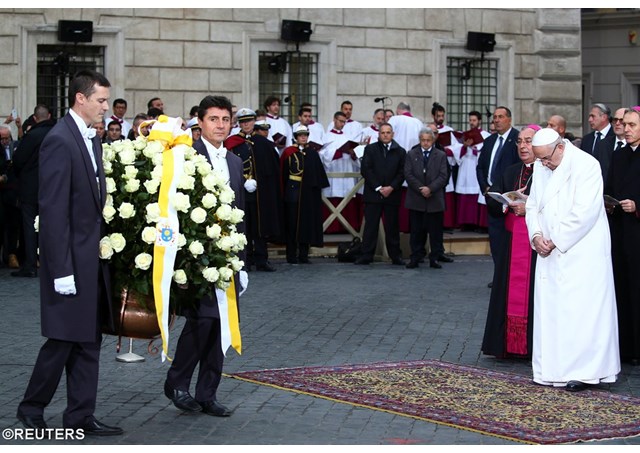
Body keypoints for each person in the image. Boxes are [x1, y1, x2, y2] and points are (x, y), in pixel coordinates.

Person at [16, 69, 122, 435]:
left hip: (90, 258)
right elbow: (54, 209)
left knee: (88, 340)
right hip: (69, 262)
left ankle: (80, 415)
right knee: (62, 339)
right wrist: (60, 269)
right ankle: (31, 407)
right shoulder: (60, 139)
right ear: (80, 98)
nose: (106, 108)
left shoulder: (91, 139)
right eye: (101, 101)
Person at [164, 95, 246, 417]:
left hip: (229, 258)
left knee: (222, 326)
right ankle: (177, 383)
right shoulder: (187, 157)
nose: (220, 126)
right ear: (200, 122)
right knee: (202, 321)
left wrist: (244, 260)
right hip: (197, 256)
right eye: (214, 119)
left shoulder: (236, 162)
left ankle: (207, 393)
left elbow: (242, 214)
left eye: (225, 120)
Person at [526, 127, 620, 391]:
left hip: (581, 251)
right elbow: (533, 204)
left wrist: (554, 239)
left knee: (581, 312)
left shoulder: (587, 165)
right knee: (553, 311)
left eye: (546, 158)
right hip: (548, 248)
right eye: (540, 159)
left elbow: (585, 212)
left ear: (560, 147)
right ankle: (550, 369)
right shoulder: (542, 165)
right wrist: (536, 235)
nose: (543, 164)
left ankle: (586, 372)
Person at [481, 125, 539, 359]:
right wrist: (506, 202)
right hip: (511, 242)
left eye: (528, 141)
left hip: (536, 246)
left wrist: (530, 207)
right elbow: (493, 199)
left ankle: (531, 347)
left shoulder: (548, 172)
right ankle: (506, 345)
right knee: (506, 293)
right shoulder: (510, 171)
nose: (523, 146)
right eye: (519, 142)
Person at [225, 108, 282, 272]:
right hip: (241, 191)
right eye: (243, 122)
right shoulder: (232, 143)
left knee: (260, 226)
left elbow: (272, 168)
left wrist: (262, 183)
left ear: (254, 122)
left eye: (249, 121)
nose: (246, 124)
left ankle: (262, 259)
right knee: (244, 226)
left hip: (260, 193)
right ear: (239, 124)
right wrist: (242, 181)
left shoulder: (263, 143)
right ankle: (245, 259)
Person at [605, 107, 640, 366]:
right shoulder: (618, 156)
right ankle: (626, 347)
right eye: (624, 124)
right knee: (622, 288)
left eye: (632, 125)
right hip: (620, 232)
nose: (626, 129)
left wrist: (638, 206)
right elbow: (610, 186)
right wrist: (608, 202)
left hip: (638, 230)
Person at [476, 106, 520, 286]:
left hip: (509, 200)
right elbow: (480, 167)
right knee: (495, 240)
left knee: (509, 241)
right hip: (491, 199)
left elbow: (518, 169)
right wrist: (485, 188)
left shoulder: (517, 139)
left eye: (500, 117)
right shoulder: (489, 141)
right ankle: (499, 276)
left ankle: (511, 277)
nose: (496, 120)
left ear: (509, 119)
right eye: (495, 117)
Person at [11, 104, 55, 278]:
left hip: (30, 188)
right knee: (51, 226)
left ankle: (30, 265)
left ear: (35, 118)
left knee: (29, 226)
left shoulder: (32, 135)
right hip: (53, 186)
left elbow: (18, 159)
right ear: (50, 115)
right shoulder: (57, 134)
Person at [355, 123, 406, 265]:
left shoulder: (400, 151)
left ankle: (395, 255)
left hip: (392, 194)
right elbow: (366, 169)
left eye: (388, 132)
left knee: (392, 227)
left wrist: (391, 187)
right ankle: (366, 255)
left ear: (393, 134)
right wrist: (378, 187)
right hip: (373, 193)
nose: (385, 135)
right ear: (378, 134)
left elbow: (402, 173)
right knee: (371, 226)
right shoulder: (370, 149)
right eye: (383, 132)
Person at [280, 125, 330, 264]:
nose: (303, 137)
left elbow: (318, 174)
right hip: (293, 191)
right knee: (292, 223)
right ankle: (291, 255)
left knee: (306, 224)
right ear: (295, 137)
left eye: (305, 135)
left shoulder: (312, 153)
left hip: (308, 193)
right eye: (300, 135)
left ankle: (303, 254)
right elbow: (283, 173)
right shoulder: (288, 152)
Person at [404, 128, 449, 269]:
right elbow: (408, 173)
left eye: (428, 140)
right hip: (416, 198)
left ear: (433, 140)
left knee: (435, 232)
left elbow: (443, 175)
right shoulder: (411, 154)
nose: (425, 143)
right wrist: (421, 189)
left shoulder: (441, 155)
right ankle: (415, 257)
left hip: (434, 199)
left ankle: (434, 257)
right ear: (419, 140)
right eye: (423, 140)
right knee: (416, 231)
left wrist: (430, 188)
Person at [320, 111, 362, 234]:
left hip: (347, 172)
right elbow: (322, 154)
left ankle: (346, 228)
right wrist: (337, 152)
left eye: (344, 122)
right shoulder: (326, 136)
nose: (342, 124)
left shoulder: (348, 137)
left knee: (347, 200)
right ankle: (331, 228)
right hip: (333, 173)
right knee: (332, 200)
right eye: (340, 121)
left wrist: (353, 154)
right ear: (334, 120)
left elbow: (356, 157)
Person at [0, 125, 21, 269]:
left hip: (13, 191)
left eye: (7, 138)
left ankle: (11, 254)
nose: (5, 141)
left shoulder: (15, 147)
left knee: (14, 224)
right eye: (2, 138)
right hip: (1, 192)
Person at [580, 103, 614, 183]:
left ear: (604, 117)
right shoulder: (586, 139)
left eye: (593, 116)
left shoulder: (616, 137)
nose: (590, 120)